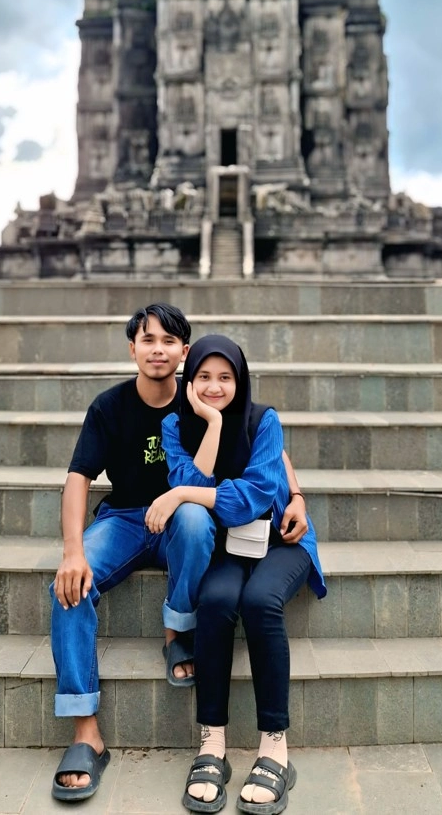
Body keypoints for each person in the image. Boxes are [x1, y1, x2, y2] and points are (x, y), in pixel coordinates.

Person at [49, 305, 308, 804]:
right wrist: (72, 550)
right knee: (69, 584)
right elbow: (78, 476)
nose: (158, 350)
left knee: (190, 518)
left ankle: (177, 634)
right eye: (148, 340)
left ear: (183, 352)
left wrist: (295, 494)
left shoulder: (203, 398)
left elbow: (262, 439)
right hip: (126, 519)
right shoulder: (114, 407)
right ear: (133, 348)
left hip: (187, 524)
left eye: (169, 341)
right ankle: (85, 733)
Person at [145, 334, 327, 815]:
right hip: (231, 545)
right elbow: (191, 484)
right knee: (218, 600)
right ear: (189, 380)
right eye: (204, 376)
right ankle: (212, 743)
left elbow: (253, 496)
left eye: (225, 377)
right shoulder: (174, 425)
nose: (214, 386)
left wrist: (182, 494)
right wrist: (211, 424)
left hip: (281, 539)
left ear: (240, 380)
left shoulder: (264, 420)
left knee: (260, 601)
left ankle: (275, 748)